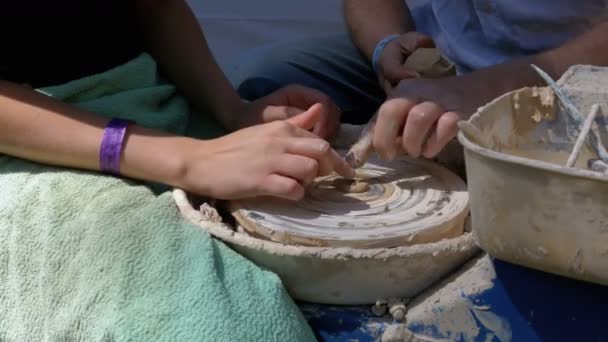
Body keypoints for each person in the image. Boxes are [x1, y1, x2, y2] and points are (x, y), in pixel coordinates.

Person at [0, 0, 352, 202]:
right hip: (29, 141)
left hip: (153, 99)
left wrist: (233, 111)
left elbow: (158, 8)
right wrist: (189, 159)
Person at [231, 0, 608, 161]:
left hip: (579, 74)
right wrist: (386, 47)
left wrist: (492, 86)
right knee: (263, 85)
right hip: (438, 53)